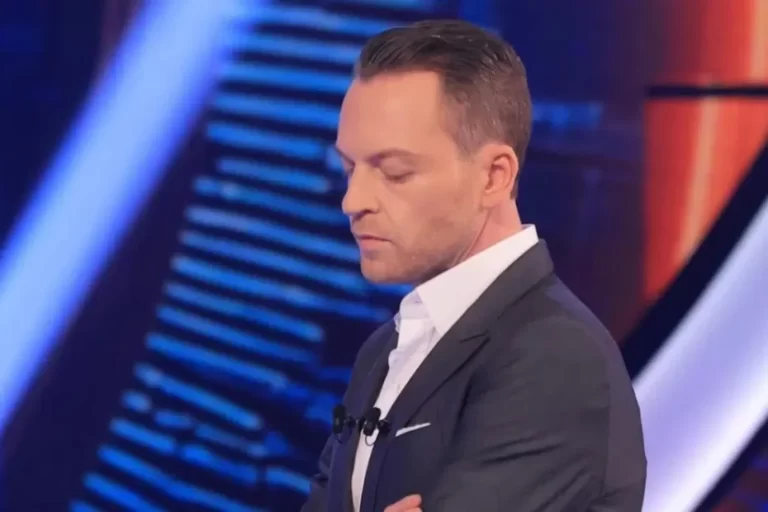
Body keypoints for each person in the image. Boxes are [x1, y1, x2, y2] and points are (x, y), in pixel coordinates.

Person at [301, 19, 646, 512]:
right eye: (350, 169)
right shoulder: (384, 349)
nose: (353, 201)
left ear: (493, 177)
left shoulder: (556, 355)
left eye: (394, 172)